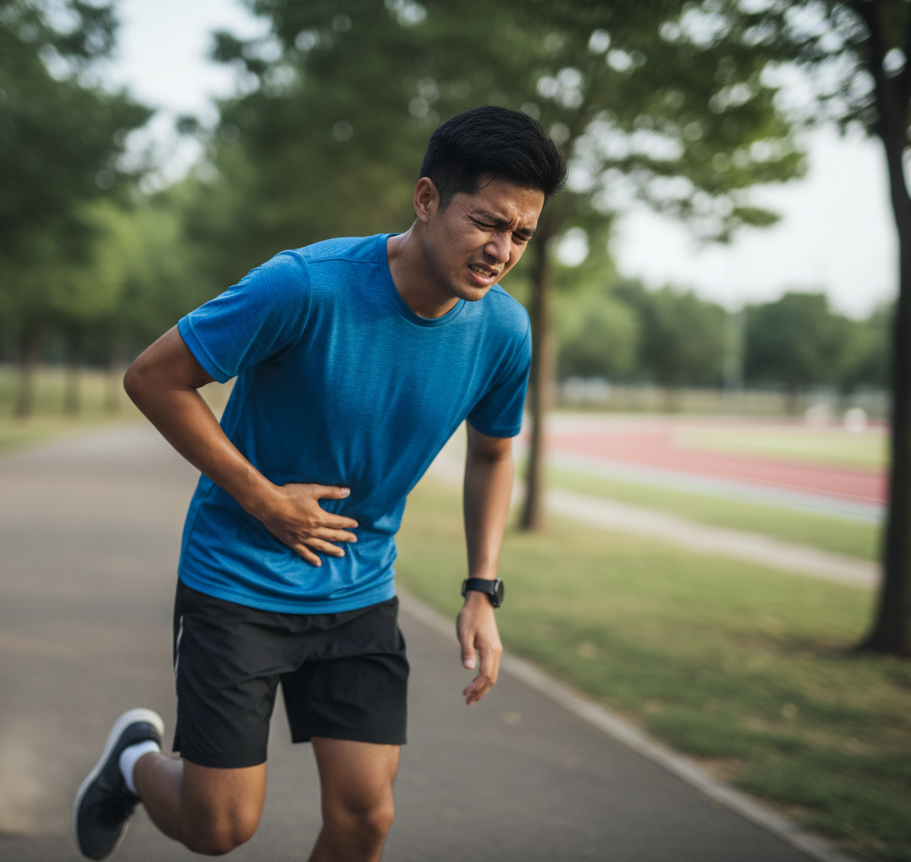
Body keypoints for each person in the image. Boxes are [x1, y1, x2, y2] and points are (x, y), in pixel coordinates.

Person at [73, 105, 565, 861]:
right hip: (237, 580)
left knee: (365, 818)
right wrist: (264, 499)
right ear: (427, 199)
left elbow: (493, 456)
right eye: (486, 223)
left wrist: (481, 589)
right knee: (220, 827)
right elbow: (154, 378)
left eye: (521, 235)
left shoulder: (503, 331)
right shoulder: (304, 286)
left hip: (359, 591)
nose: (501, 251)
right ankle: (134, 763)